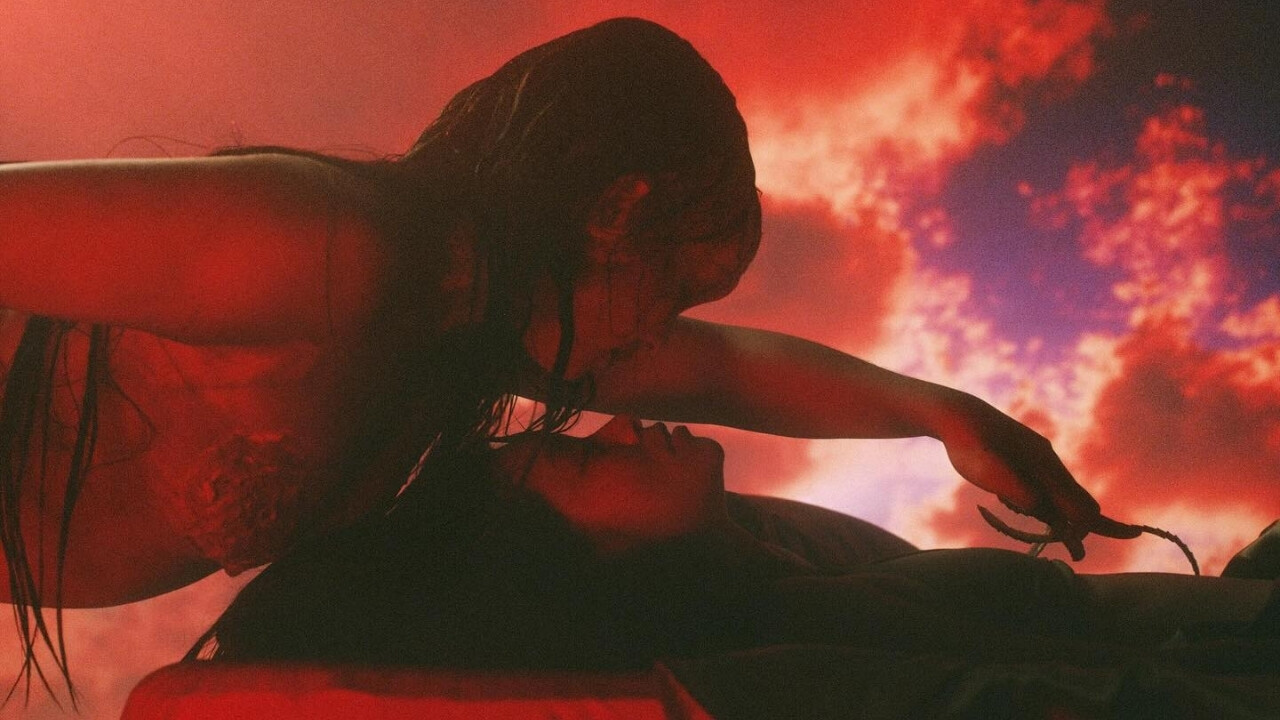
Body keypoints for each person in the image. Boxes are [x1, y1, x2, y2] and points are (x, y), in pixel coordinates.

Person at [0, 17, 1133, 691]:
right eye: (670, 290)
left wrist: (946, 416)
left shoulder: (456, 336)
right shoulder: (318, 246)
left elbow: (731, 373)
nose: (657, 338)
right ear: (612, 214)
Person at [189, 415, 1280, 718]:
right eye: (580, 457)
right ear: (567, 570)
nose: (622, 422)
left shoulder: (789, 557)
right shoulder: (784, 670)